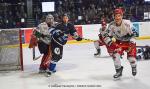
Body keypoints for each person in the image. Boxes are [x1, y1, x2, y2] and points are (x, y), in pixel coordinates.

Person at [104, 8, 137, 79]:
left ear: (122, 16)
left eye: (119, 16)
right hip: (118, 42)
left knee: (132, 59)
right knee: (115, 56)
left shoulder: (127, 23)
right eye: (115, 16)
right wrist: (111, 43)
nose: (117, 18)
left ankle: (134, 66)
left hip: (129, 41)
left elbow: (135, 34)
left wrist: (131, 43)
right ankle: (118, 70)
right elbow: (106, 36)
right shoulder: (111, 25)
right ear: (113, 17)